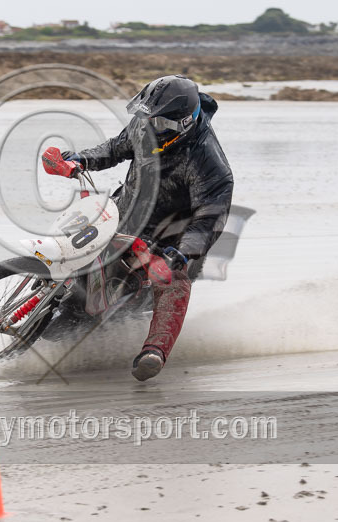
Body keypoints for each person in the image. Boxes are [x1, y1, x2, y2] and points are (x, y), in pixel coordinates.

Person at [60, 75, 234, 381]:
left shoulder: (210, 163)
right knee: (74, 247)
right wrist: (81, 160)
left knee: (172, 280)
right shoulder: (147, 122)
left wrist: (182, 253)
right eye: (149, 121)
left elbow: (209, 219)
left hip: (172, 243)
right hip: (124, 214)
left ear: (184, 123)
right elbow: (115, 148)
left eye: (161, 126)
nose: (152, 129)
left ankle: (154, 351)